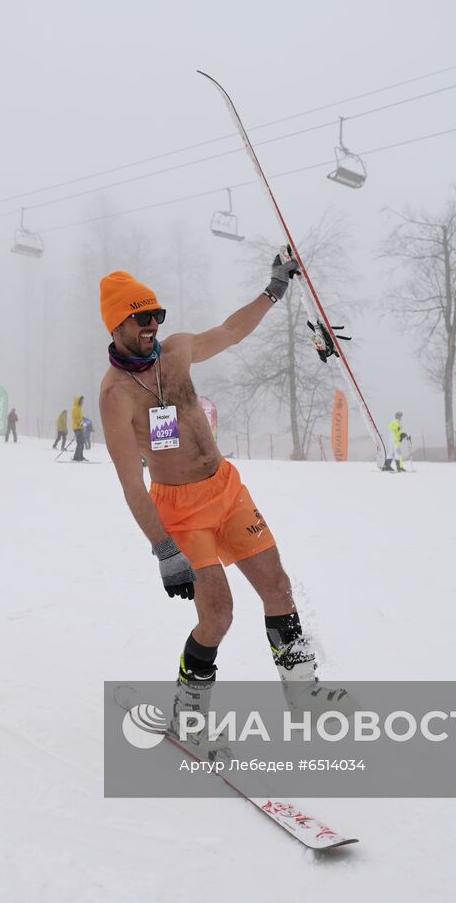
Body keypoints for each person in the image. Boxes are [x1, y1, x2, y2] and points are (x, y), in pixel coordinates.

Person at [97, 257, 353, 757]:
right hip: (179, 511)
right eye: (141, 318)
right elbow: (131, 484)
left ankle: (305, 696)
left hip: (227, 491)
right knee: (217, 614)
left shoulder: (177, 353)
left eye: (157, 315)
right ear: (117, 323)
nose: (153, 326)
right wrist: (163, 550)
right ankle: (188, 717)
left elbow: (233, 330)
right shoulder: (115, 395)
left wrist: (273, 291)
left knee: (277, 587)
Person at [71, 396, 87, 461]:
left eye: (83, 400)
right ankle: (76, 457)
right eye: (81, 400)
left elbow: (80, 418)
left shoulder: (79, 408)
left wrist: (83, 420)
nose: (82, 402)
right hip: (77, 428)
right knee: (80, 442)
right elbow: (76, 419)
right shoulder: (75, 408)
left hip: (80, 427)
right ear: (78, 401)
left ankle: (80, 456)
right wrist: (81, 423)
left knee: (82, 442)